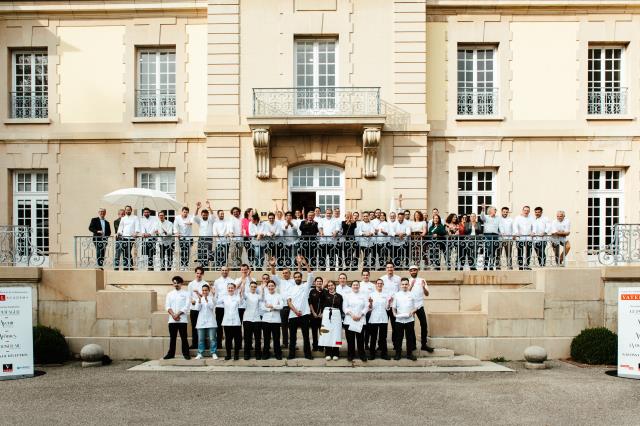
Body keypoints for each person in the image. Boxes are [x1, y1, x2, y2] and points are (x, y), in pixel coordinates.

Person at [287, 255, 314, 360]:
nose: (298, 278)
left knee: (306, 336)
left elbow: (310, 275)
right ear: (294, 278)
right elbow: (289, 302)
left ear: (301, 278)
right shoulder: (291, 288)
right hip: (293, 315)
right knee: (292, 337)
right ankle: (291, 354)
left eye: (299, 277)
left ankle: (308, 354)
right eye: (296, 277)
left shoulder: (306, 286)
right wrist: (295, 311)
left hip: (305, 314)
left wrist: (304, 263)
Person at [269, 257, 295, 348]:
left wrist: (299, 264)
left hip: (293, 307)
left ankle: (293, 344)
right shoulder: (280, 282)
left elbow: (299, 272)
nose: (285, 274)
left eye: (286, 273)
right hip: (283, 307)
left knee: (292, 327)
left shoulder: (294, 281)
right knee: (284, 326)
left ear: (290, 273)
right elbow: (273, 275)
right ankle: (285, 343)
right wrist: (272, 265)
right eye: (283, 273)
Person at [163, 276, 191, 360]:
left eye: (178, 283)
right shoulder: (169, 294)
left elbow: (186, 306)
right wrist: (173, 315)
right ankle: (171, 354)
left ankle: (186, 354)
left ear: (181, 283)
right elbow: (167, 306)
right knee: (172, 338)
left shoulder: (186, 293)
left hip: (182, 320)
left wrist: (178, 314)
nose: (176, 285)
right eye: (174, 283)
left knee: (184, 338)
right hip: (172, 320)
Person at [342, 280, 369, 362]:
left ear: (359, 286)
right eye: (354, 285)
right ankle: (351, 355)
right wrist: (352, 315)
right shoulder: (347, 295)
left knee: (360, 339)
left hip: (360, 320)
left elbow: (366, 306)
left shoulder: (364, 296)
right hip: (350, 320)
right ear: (351, 286)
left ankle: (362, 355)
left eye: (357, 285)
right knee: (350, 340)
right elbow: (344, 307)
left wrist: (360, 315)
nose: (356, 286)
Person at [408, 265, 433, 352]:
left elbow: (427, 294)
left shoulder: (422, 280)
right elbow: (405, 293)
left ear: (417, 271)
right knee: (411, 326)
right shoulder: (407, 281)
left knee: (424, 325)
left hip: (419, 306)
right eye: (412, 270)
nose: (413, 272)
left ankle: (424, 344)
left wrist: (423, 287)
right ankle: (413, 345)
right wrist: (411, 285)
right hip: (410, 307)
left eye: (415, 270)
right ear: (409, 272)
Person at [392, 277, 417, 361]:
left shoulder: (412, 294)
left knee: (409, 338)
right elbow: (393, 307)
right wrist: (394, 314)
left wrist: (412, 312)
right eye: (403, 284)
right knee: (398, 338)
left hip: (409, 320)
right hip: (399, 320)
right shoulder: (397, 295)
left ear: (408, 285)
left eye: (406, 284)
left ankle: (409, 354)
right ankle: (398, 354)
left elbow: (416, 307)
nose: (404, 286)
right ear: (400, 285)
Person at [260, 279, 284, 360]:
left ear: (275, 286)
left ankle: (278, 354)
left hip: (276, 320)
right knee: (266, 338)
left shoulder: (279, 295)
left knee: (276, 338)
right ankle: (265, 354)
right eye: (269, 286)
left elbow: (281, 306)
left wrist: (272, 306)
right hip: (266, 320)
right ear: (267, 287)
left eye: (272, 286)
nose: (271, 287)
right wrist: (270, 308)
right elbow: (262, 307)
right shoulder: (264, 296)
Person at [320, 280, 344, 360]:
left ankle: (336, 353)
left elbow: (341, 307)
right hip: (327, 314)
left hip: (336, 315)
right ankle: (328, 353)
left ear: (335, 286)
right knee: (327, 333)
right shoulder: (324, 294)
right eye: (329, 286)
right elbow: (319, 293)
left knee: (336, 333)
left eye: (332, 285)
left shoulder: (339, 296)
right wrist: (324, 284)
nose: (330, 287)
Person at [368, 278, 391, 360]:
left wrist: (389, 303)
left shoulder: (386, 294)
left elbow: (387, 308)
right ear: (376, 285)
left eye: (381, 283)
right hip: (374, 318)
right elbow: (370, 308)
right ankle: (372, 354)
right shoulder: (372, 294)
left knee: (383, 337)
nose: (379, 285)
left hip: (383, 318)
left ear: (383, 285)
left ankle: (384, 354)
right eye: (378, 283)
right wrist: (370, 303)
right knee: (373, 337)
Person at [380, 262, 401, 351]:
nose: (390, 269)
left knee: (395, 327)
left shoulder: (398, 279)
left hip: (394, 307)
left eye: (391, 267)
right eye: (388, 267)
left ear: (393, 268)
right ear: (386, 269)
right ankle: (381, 345)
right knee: (382, 327)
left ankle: (396, 345)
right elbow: (379, 291)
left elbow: (400, 292)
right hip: (384, 306)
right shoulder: (382, 279)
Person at [194, 283, 218, 360]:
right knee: (201, 339)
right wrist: (200, 300)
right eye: (203, 290)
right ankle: (200, 353)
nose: (204, 292)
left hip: (211, 322)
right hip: (201, 322)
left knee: (212, 338)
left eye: (206, 290)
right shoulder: (198, 299)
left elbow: (211, 307)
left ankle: (213, 352)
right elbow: (197, 309)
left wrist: (207, 300)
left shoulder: (212, 298)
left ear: (208, 291)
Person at [213, 266, 235, 349]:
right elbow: (215, 294)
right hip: (219, 306)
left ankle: (229, 344)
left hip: (229, 306)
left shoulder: (232, 281)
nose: (224, 271)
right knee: (219, 326)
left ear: (228, 271)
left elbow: (233, 293)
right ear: (220, 271)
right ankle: (219, 344)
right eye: (223, 270)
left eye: (226, 270)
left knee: (229, 325)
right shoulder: (217, 281)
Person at [221, 282, 244, 360]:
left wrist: (241, 295)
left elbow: (241, 303)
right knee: (228, 339)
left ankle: (236, 355)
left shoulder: (237, 297)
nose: (230, 289)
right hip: (227, 321)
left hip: (236, 321)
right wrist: (214, 294)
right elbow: (215, 302)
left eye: (232, 288)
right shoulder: (224, 297)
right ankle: (228, 355)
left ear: (234, 289)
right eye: (229, 288)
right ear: (227, 289)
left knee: (237, 339)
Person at [187, 266, 208, 349]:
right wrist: (191, 300)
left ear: (202, 274)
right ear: (195, 273)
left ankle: (204, 344)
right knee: (194, 326)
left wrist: (198, 293)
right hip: (194, 309)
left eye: (200, 273)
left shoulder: (205, 283)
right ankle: (194, 343)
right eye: (197, 273)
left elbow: (206, 296)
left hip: (202, 309)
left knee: (203, 326)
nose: (198, 275)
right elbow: (189, 296)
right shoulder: (191, 284)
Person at [242, 281, 263, 360]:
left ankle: (258, 354)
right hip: (247, 319)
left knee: (258, 338)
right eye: (252, 286)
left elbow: (262, 298)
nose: (253, 288)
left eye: (254, 287)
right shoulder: (246, 295)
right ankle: (247, 354)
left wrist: (263, 289)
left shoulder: (258, 296)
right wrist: (243, 285)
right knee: (247, 338)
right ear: (249, 287)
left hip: (257, 319)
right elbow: (242, 294)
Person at [116, 205, 139, 271]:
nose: (128, 211)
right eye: (126, 210)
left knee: (127, 251)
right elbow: (120, 227)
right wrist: (119, 233)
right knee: (125, 252)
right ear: (125, 210)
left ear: (131, 210)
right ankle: (127, 266)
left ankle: (129, 266)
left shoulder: (135, 217)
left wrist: (136, 232)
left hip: (131, 237)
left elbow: (137, 226)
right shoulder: (123, 218)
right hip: (124, 237)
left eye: (129, 210)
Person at [193, 202, 215, 270]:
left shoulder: (210, 220)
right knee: (201, 252)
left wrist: (209, 207)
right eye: (203, 215)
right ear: (201, 215)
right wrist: (197, 208)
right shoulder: (200, 220)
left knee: (208, 253)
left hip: (209, 238)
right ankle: (202, 266)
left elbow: (212, 215)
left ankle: (206, 267)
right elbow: (195, 217)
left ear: (207, 215)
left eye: (206, 215)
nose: (205, 216)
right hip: (201, 238)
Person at [513, 206, 535, 270]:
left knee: (529, 252)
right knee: (520, 252)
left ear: (529, 211)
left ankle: (527, 265)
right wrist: (517, 232)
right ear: (522, 211)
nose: (526, 212)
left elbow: (534, 225)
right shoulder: (518, 217)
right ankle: (520, 265)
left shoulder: (531, 218)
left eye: (527, 210)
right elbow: (515, 225)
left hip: (529, 238)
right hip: (520, 238)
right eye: (525, 210)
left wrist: (533, 232)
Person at [309, 276, 326, 352]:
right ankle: (315, 346)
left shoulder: (325, 291)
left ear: (322, 283)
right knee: (314, 332)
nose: (319, 282)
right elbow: (310, 303)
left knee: (322, 332)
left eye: (320, 281)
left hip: (322, 316)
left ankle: (322, 346)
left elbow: (326, 303)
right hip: (313, 315)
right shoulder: (312, 291)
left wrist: (322, 313)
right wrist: (313, 313)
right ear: (314, 283)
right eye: (317, 281)